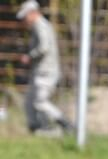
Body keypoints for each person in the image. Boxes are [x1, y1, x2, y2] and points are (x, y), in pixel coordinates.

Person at [16, 0, 74, 137]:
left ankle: (65, 124)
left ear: (32, 13)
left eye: (25, 16)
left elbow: (44, 47)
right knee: (29, 101)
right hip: (40, 71)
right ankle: (35, 127)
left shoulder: (40, 25)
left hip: (46, 72)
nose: (24, 20)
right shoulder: (38, 26)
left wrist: (30, 56)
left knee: (40, 102)